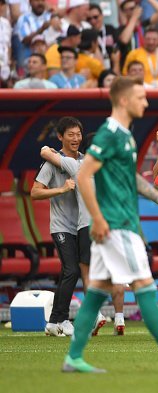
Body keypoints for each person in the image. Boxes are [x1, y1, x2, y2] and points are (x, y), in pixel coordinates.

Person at [63, 76, 158, 373]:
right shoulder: (110, 134)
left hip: (120, 223)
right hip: (117, 225)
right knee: (144, 284)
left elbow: (130, 179)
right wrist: (99, 218)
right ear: (125, 100)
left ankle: (74, 357)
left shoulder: (125, 136)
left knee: (98, 289)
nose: (146, 102)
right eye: (141, 97)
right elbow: (83, 176)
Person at [40, 132, 126, 335]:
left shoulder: (78, 166)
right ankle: (120, 317)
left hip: (87, 226)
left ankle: (95, 315)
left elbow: (46, 154)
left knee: (87, 274)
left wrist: (48, 150)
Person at [32, 117, 83, 337]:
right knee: (72, 270)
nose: (76, 138)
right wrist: (61, 190)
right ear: (60, 137)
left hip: (81, 226)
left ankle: (54, 322)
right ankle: (62, 318)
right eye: (70, 134)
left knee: (69, 272)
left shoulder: (83, 160)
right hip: (61, 226)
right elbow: (35, 192)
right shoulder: (52, 161)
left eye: (78, 134)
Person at [116, 0, 158, 69]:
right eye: (129, 9)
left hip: (145, 64)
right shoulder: (121, 29)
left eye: (133, 8)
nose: (133, 11)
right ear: (124, 12)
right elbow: (124, 40)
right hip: (129, 66)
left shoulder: (143, 25)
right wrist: (134, 17)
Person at [86, 3, 118, 71]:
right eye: (89, 19)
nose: (93, 21)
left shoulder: (110, 29)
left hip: (114, 66)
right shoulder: (88, 35)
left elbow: (117, 50)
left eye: (95, 17)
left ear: (102, 16)